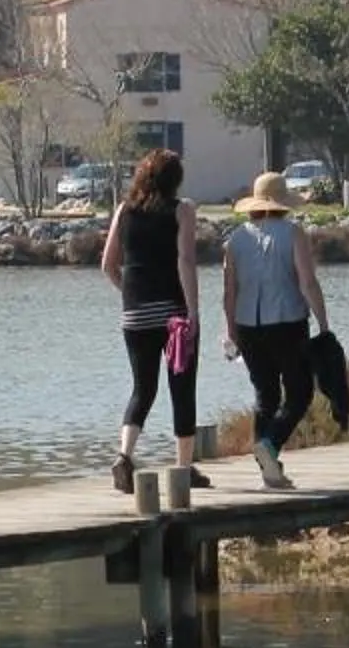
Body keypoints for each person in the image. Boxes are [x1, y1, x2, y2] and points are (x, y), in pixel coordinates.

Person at [101, 149, 207, 493]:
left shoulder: (124, 210)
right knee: (182, 388)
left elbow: (108, 265)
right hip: (174, 315)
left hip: (135, 314)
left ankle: (124, 456)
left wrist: (130, 294)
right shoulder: (182, 210)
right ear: (176, 179)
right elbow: (185, 261)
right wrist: (192, 311)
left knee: (142, 389)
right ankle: (183, 469)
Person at [221, 171, 332, 490]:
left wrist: (231, 330)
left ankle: (269, 471)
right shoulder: (293, 233)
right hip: (287, 322)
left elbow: (229, 291)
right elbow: (307, 282)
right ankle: (269, 446)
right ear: (282, 204)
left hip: (248, 325)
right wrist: (323, 324)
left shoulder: (236, 239)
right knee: (299, 393)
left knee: (265, 394)